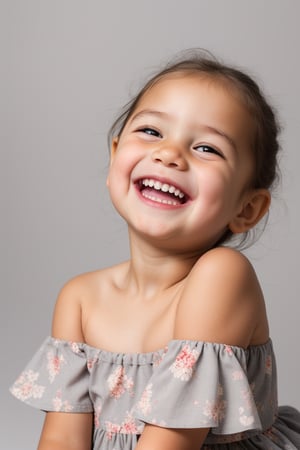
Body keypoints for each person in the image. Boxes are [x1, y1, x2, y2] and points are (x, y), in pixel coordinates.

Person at [11, 49, 300, 450]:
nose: (169, 155)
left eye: (207, 149)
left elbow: (171, 443)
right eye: (151, 131)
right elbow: (62, 439)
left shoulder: (222, 274)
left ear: (247, 208)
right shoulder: (79, 298)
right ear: (115, 156)